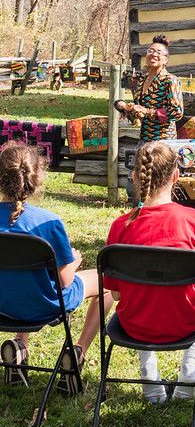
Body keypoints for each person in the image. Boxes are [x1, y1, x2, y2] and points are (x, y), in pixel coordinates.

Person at [103, 141, 195, 404]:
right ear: (176, 176)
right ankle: (189, 372)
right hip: (185, 324)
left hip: (133, 325)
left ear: (135, 176)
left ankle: (149, 375)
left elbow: (115, 293)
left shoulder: (120, 226)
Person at [0, 142, 112, 395]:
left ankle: (19, 345)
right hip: (42, 306)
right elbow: (64, 281)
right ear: (37, 178)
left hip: (3, 304)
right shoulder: (48, 222)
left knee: (22, 278)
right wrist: (73, 262)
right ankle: (78, 352)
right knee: (105, 283)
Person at [124, 34, 184, 202]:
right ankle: (138, 211)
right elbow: (140, 108)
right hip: (144, 138)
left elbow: (177, 112)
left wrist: (148, 112)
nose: (153, 55)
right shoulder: (142, 80)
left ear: (165, 59)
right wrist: (129, 109)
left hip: (163, 141)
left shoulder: (170, 81)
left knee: (159, 182)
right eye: (151, 51)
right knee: (135, 181)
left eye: (159, 52)